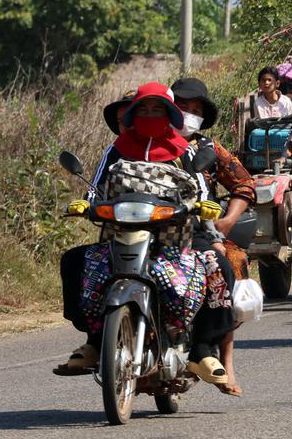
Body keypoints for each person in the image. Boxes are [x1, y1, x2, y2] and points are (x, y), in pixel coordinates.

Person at [56, 84, 232, 385]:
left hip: (175, 238)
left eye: (158, 109)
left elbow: (199, 188)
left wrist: (205, 206)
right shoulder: (118, 148)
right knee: (74, 261)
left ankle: (201, 350)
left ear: (170, 115)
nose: (150, 115)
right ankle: (95, 341)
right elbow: (96, 186)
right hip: (120, 233)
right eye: (144, 109)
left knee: (217, 267)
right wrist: (86, 203)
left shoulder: (185, 150)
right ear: (133, 114)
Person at [171, 77, 256, 397]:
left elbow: (244, 184)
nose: (188, 115)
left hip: (200, 231)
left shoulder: (207, 148)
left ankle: (224, 357)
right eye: (182, 108)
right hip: (152, 227)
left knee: (229, 266)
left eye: (195, 110)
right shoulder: (150, 143)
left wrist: (227, 221)